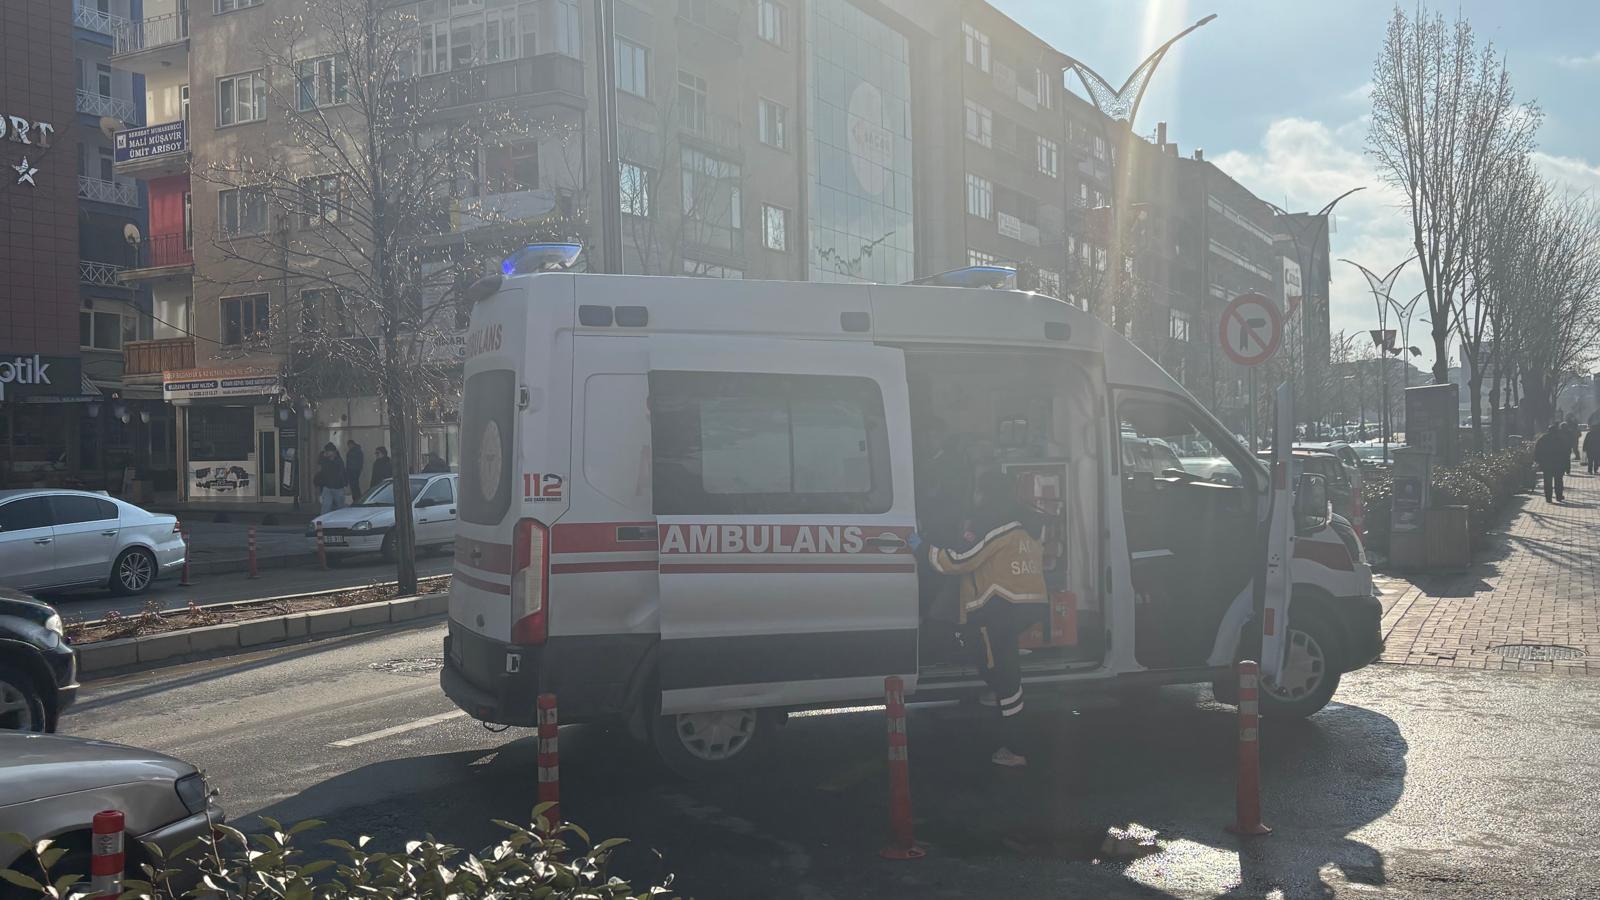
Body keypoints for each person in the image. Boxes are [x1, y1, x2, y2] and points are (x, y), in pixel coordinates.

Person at [912, 470, 1047, 768]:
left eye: (977, 492)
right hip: (1025, 606)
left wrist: (922, 548)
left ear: (986, 494)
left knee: (1005, 676)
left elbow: (959, 562)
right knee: (997, 665)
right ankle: (995, 694)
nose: (973, 497)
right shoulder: (1030, 524)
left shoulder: (997, 527)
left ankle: (1015, 749)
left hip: (997, 609)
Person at [1534, 423, 1569, 503]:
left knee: (1547, 482)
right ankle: (1559, 496)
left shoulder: (1543, 439)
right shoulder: (1561, 439)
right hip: (1558, 464)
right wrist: (1566, 464)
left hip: (1546, 465)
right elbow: (1566, 452)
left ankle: (1548, 498)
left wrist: (1537, 461)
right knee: (1559, 481)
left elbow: (1537, 451)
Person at [315, 443, 347, 514]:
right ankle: (323, 521)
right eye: (326, 451)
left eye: (328, 451)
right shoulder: (324, 459)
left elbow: (342, 473)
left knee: (340, 506)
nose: (326, 452)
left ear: (333, 452)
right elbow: (320, 469)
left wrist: (344, 484)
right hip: (328, 486)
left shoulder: (338, 461)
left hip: (337, 487)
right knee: (326, 506)